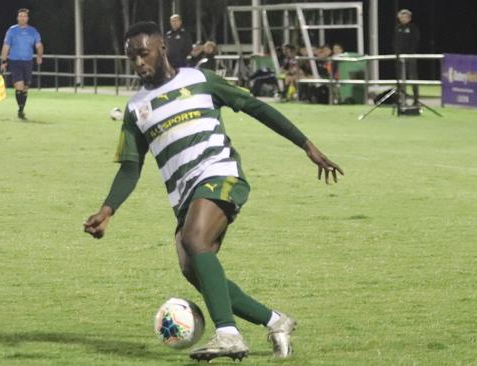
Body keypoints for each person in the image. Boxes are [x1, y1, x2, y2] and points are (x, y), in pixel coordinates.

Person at [83, 22, 343, 362]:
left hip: (220, 174)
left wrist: (306, 145)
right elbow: (131, 167)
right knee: (195, 270)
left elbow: (256, 107)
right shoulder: (136, 109)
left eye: (143, 54)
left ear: (161, 48)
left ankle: (228, 334)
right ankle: (276, 321)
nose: (138, 63)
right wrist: (107, 210)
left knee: (194, 240)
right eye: (131, 57)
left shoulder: (199, 80)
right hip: (183, 196)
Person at [0, 8, 43, 120]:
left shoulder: (33, 31)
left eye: (24, 16)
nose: (22, 18)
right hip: (15, 61)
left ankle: (22, 109)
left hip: (28, 62)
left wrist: (39, 56)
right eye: (20, 16)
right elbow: (6, 47)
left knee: (25, 87)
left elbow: (38, 45)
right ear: (17, 17)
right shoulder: (12, 31)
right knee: (19, 85)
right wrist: (4, 61)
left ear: (27, 18)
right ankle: (20, 109)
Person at [393, 9, 420, 104]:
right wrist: (397, 54)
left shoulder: (413, 28)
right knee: (400, 78)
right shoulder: (397, 28)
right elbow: (395, 42)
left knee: (413, 77)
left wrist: (409, 54)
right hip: (399, 58)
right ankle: (401, 99)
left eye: (405, 17)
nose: (403, 19)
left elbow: (415, 41)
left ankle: (416, 99)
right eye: (401, 17)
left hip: (410, 56)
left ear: (409, 18)